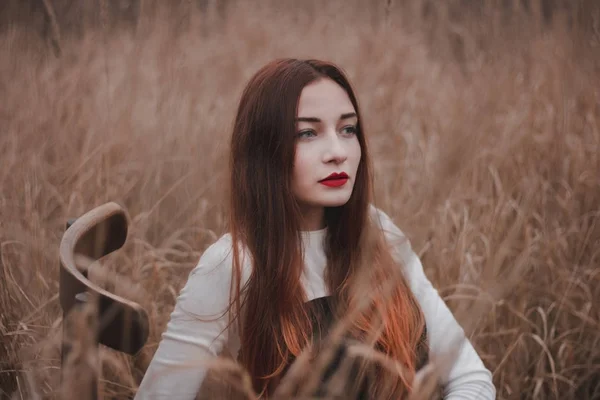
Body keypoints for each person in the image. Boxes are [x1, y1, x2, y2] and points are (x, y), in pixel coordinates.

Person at [134, 58, 496, 399]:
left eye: (347, 129)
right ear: (265, 151)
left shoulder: (378, 232)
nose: (337, 151)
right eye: (308, 133)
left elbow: (471, 378)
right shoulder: (232, 264)